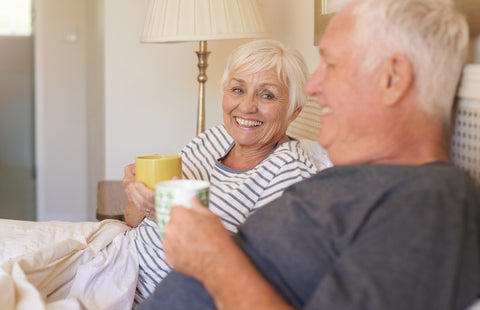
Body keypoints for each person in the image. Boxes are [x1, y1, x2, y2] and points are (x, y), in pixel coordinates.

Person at [136, 0, 480, 309]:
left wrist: (212, 258)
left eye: (330, 64)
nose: (313, 86)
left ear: (392, 79)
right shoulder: (358, 181)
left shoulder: (426, 203)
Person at [123, 39, 330, 304]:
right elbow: (131, 220)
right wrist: (140, 200)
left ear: (294, 112)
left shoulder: (288, 172)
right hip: (122, 267)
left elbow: (249, 278)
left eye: (267, 95)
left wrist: (166, 214)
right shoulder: (213, 138)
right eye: (238, 89)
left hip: (159, 297)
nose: (246, 107)